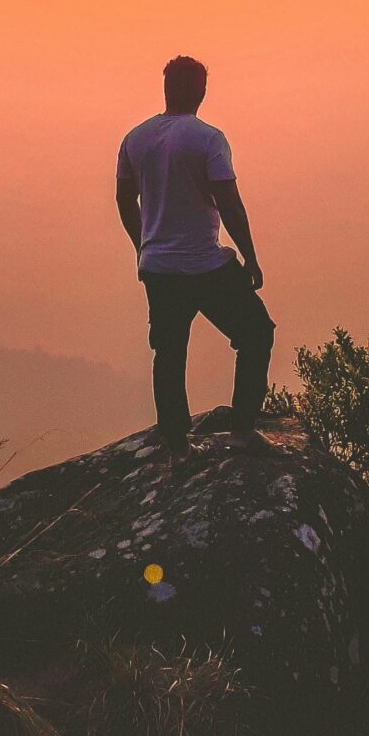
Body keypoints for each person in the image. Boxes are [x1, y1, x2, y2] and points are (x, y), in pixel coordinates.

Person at [115, 55, 274, 452]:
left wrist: (143, 246)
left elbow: (123, 198)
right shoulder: (208, 139)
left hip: (158, 268)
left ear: (166, 88)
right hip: (204, 264)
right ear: (201, 91)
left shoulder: (136, 138)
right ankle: (242, 430)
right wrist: (250, 258)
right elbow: (229, 204)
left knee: (168, 351)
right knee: (255, 333)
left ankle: (175, 441)